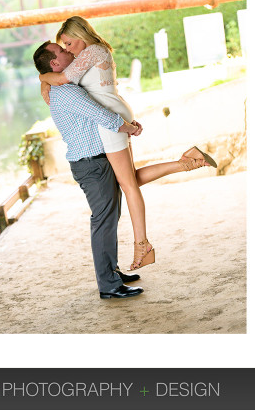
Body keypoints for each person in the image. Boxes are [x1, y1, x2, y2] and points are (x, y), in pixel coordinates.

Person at [37, 16, 217, 271]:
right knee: (128, 180)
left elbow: (62, 79)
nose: (66, 49)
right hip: (114, 114)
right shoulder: (90, 54)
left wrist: (42, 79)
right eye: (63, 46)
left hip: (110, 120)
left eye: (67, 43)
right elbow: (63, 77)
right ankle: (188, 162)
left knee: (129, 186)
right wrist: (45, 80)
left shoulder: (91, 52)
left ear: (80, 35)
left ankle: (142, 246)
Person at [32, 42, 145, 299]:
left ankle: (112, 272)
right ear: (55, 64)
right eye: (63, 51)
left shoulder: (67, 86)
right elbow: (103, 116)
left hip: (95, 160)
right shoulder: (67, 93)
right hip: (91, 164)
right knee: (103, 221)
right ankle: (109, 285)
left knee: (110, 218)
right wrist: (131, 127)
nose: (69, 51)